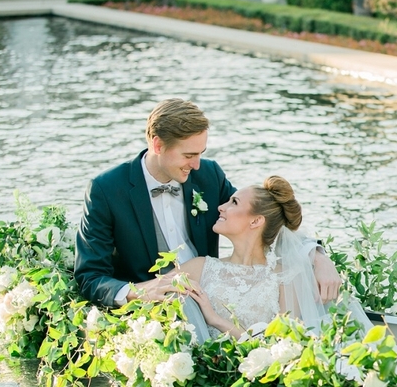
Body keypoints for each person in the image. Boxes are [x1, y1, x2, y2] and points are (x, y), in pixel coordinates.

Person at [75, 98, 341, 308]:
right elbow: (90, 276)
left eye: (201, 153)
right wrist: (140, 291)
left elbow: (259, 219)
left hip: (211, 298)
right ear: (157, 145)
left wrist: (317, 256)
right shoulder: (106, 190)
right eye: (189, 155)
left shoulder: (208, 175)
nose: (197, 164)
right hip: (153, 313)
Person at [176, 176, 331, 339]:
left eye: (234, 202)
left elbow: (279, 347)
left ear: (256, 221)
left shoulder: (286, 279)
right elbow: (149, 292)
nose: (221, 207)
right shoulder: (199, 267)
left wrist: (215, 320)